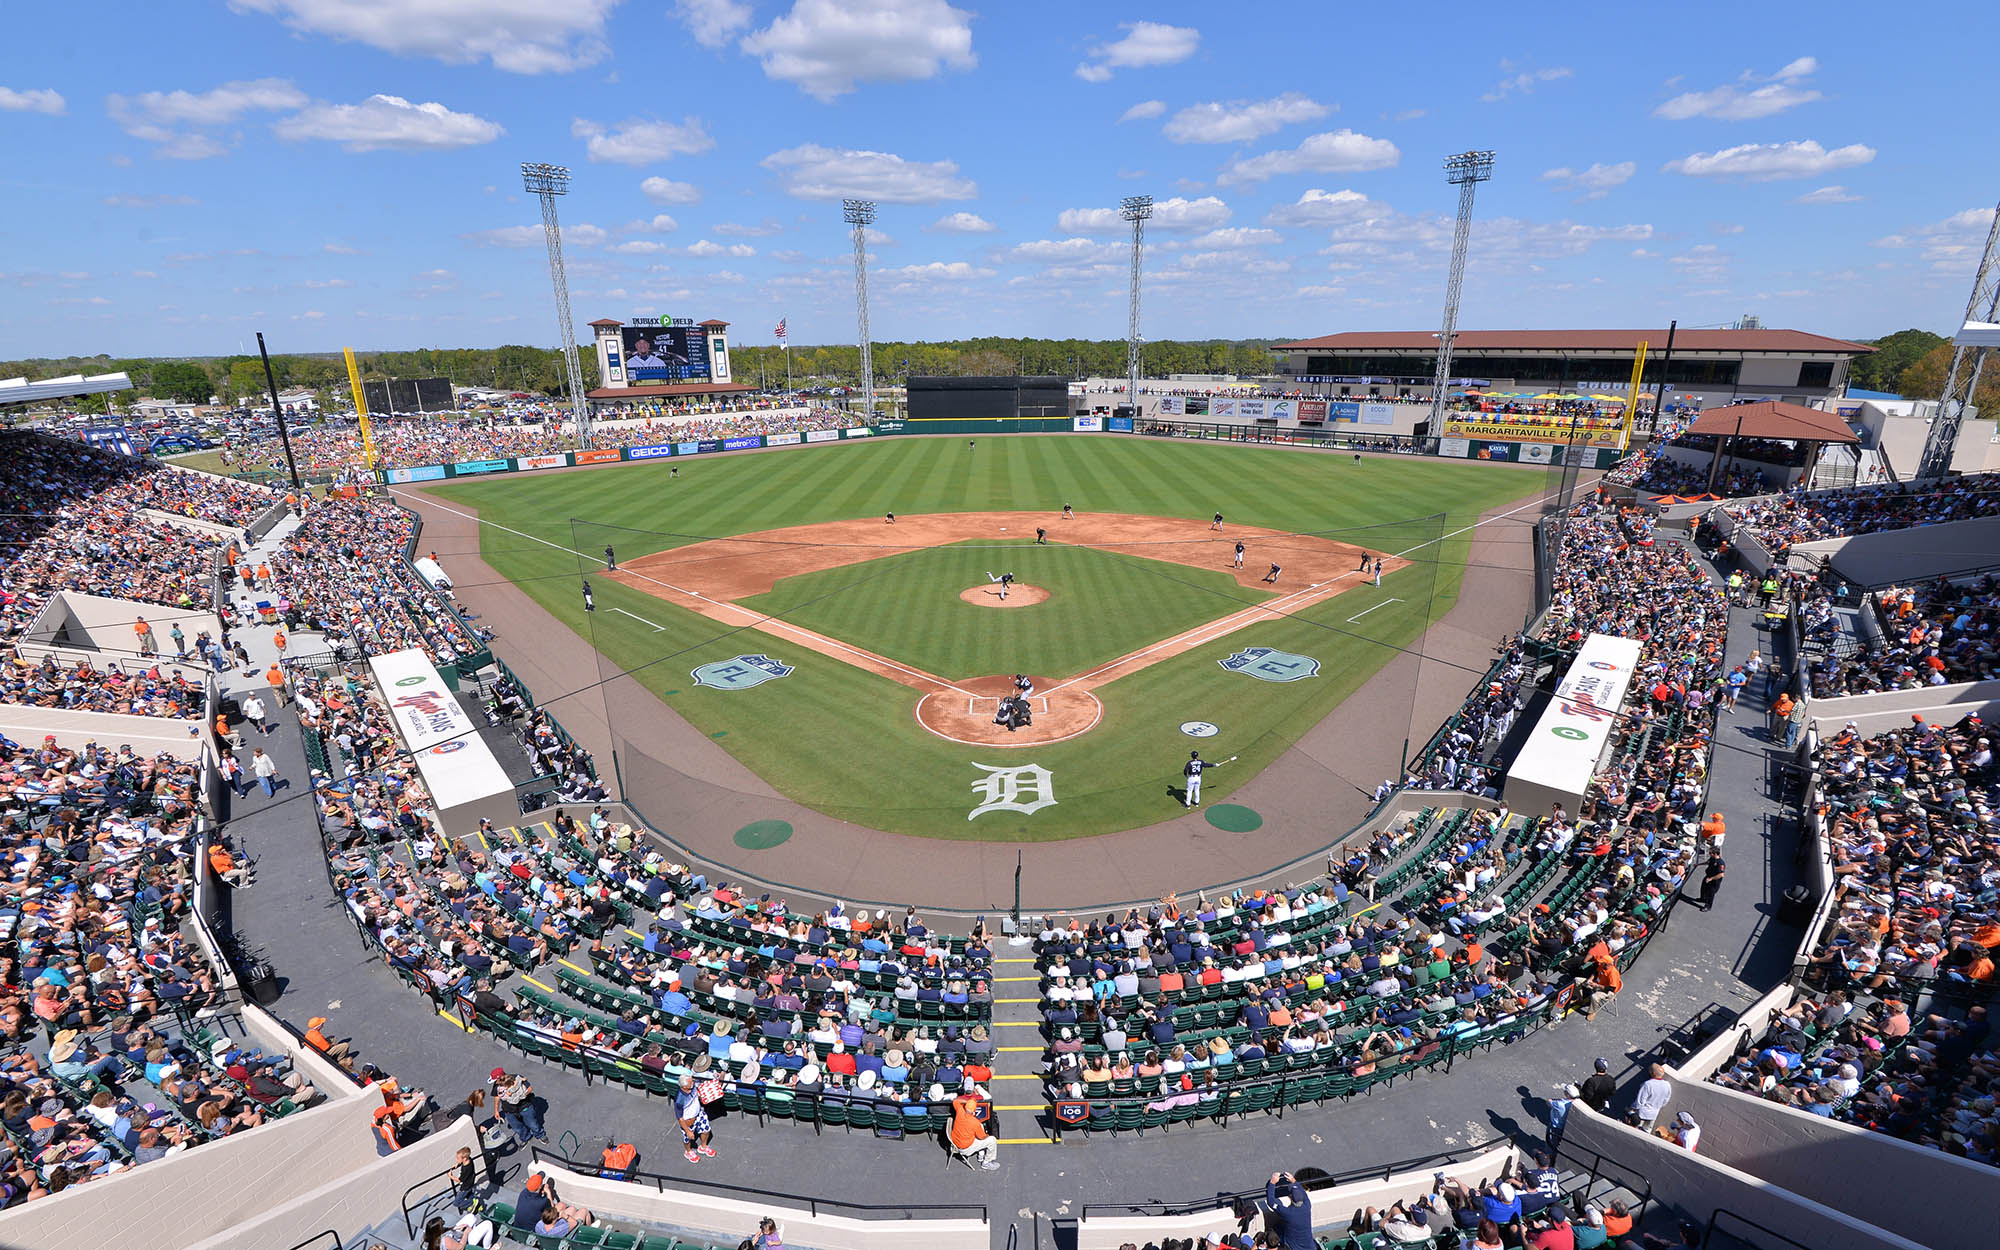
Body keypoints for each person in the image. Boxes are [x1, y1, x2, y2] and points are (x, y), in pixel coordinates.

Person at [948, 1084, 997, 1169]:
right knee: (992, 1140)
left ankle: (981, 1155)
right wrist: (988, 1135)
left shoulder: (960, 1111)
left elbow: (956, 1101)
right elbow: (982, 1137)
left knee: (980, 1128)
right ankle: (986, 1162)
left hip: (955, 1141)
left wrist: (967, 1102)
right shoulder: (974, 1122)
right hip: (965, 1148)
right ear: (974, 1111)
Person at [1265, 1172, 1314, 1250]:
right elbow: (1304, 1194)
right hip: (1310, 1247)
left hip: (1293, 1247)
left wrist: (1272, 1183)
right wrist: (1294, 1181)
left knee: (1274, 1229)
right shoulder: (1307, 1206)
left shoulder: (1288, 1213)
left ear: (1290, 1197)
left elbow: (1271, 1202)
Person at [675, 1072, 716, 1163]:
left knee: (706, 1130)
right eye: (691, 1083)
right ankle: (688, 1151)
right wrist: (688, 1131)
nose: (693, 1084)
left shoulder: (692, 1087)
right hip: (688, 1121)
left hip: (699, 1114)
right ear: (685, 1087)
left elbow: (697, 1092)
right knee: (687, 1138)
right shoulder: (679, 1100)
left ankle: (703, 1147)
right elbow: (680, 1118)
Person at [1631, 1063, 1672, 1131]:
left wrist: (1632, 1108)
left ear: (1652, 1073)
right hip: (1653, 1115)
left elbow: (1640, 1102)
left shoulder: (1648, 1084)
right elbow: (1665, 1101)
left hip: (1642, 1114)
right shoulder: (1667, 1085)